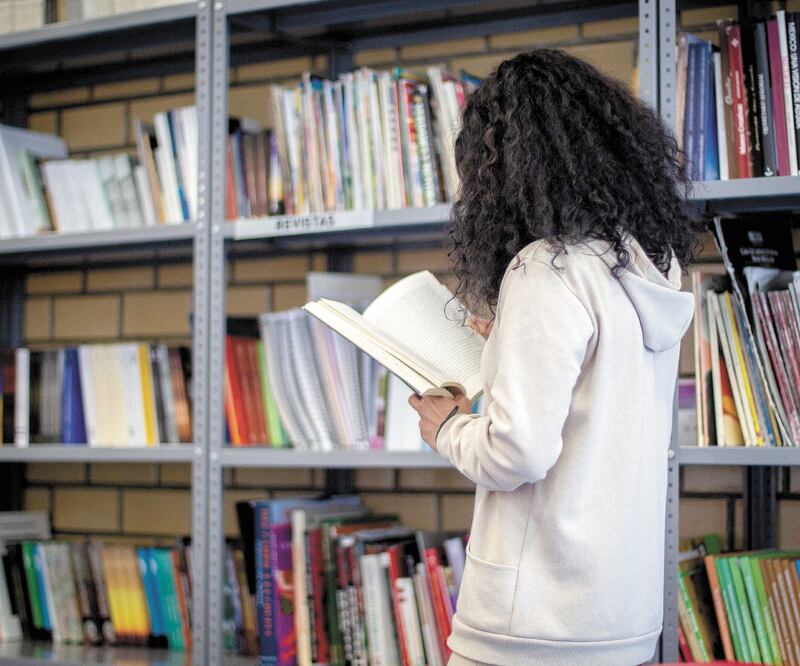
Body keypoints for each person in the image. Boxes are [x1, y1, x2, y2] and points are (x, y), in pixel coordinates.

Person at [408, 49, 701, 666]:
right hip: (619, 622)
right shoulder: (646, 269)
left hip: (530, 625)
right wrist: (506, 343)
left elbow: (516, 452)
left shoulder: (547, 268)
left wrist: (450, 428)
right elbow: (595, 396)